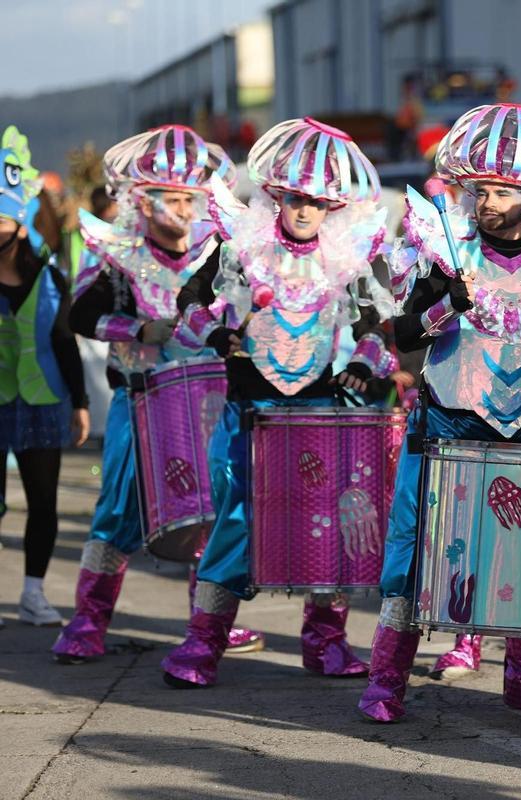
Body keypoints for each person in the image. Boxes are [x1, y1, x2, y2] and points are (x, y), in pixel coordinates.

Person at [358, 103, 521, 722]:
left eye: (501, 190)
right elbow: (405, 335)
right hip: (446, 422)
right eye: (480, 190)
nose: (487, 202)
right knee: (420, 551)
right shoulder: (447, 255)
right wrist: (450, 307)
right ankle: (386, 677)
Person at [161, 117, 400, 688]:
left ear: (332, 208)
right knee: (237, 522)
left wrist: (364, 366)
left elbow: (378, 328)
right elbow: (187, 304)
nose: (303, 211)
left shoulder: (347, 261)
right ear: (277, 195)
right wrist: (220, 336)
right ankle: (203, 643)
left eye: (316, 203)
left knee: (322, 524)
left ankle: (325, 642)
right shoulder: (242, 249)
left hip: (316, 412)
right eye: (295, 198)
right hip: (248, 411)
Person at [52, 126, 263, 663]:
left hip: (210, 400)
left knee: (214, 507)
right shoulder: (117, 254)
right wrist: (135, 329)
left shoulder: (219, 253)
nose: (185, 212)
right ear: (141, 202)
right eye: (172, 199)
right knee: (118, 510)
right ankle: (88, 620)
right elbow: (78, 315)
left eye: (192, 200)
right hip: (140, 400)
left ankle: (206, 621)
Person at [0, 125, 88, 627]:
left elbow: (64, 342)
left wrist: (79, 402)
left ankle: (33, 593)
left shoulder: (50, 278)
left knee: (43, 502)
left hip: (42, 400)